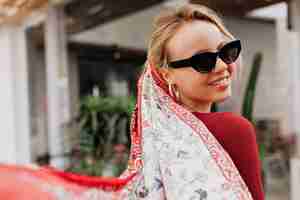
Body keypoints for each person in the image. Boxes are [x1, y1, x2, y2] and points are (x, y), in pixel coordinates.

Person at [0, 3, 264, 200]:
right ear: (166, 73)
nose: (222, 66)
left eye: (228, 51)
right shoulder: (234, 130)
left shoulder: (160, 142)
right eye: (203, 61)